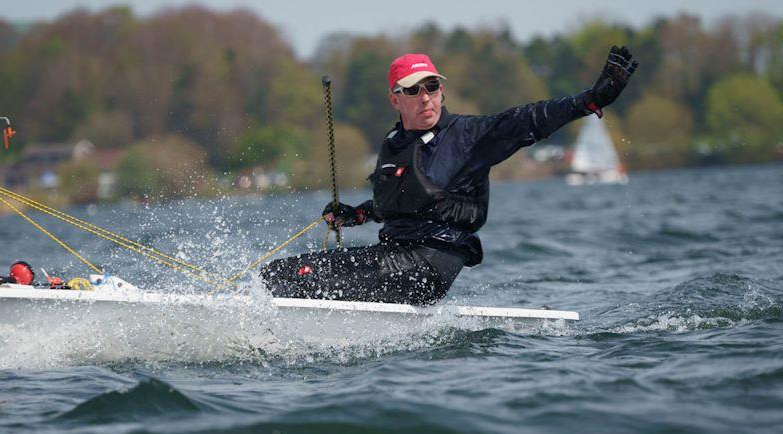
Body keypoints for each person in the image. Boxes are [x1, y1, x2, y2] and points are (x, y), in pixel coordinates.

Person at [261, 46, 638, 305]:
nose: (425, 97)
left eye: (432, 87)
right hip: (391, 255)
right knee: (277, 273)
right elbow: (399, 203)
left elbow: (530, 118)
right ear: (395, 98)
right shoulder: (394, 144)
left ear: (441, 90)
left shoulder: (469, 136)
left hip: (428, 266)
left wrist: (590, 100)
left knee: (303, 282)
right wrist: (356, 214)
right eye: (414, 90)